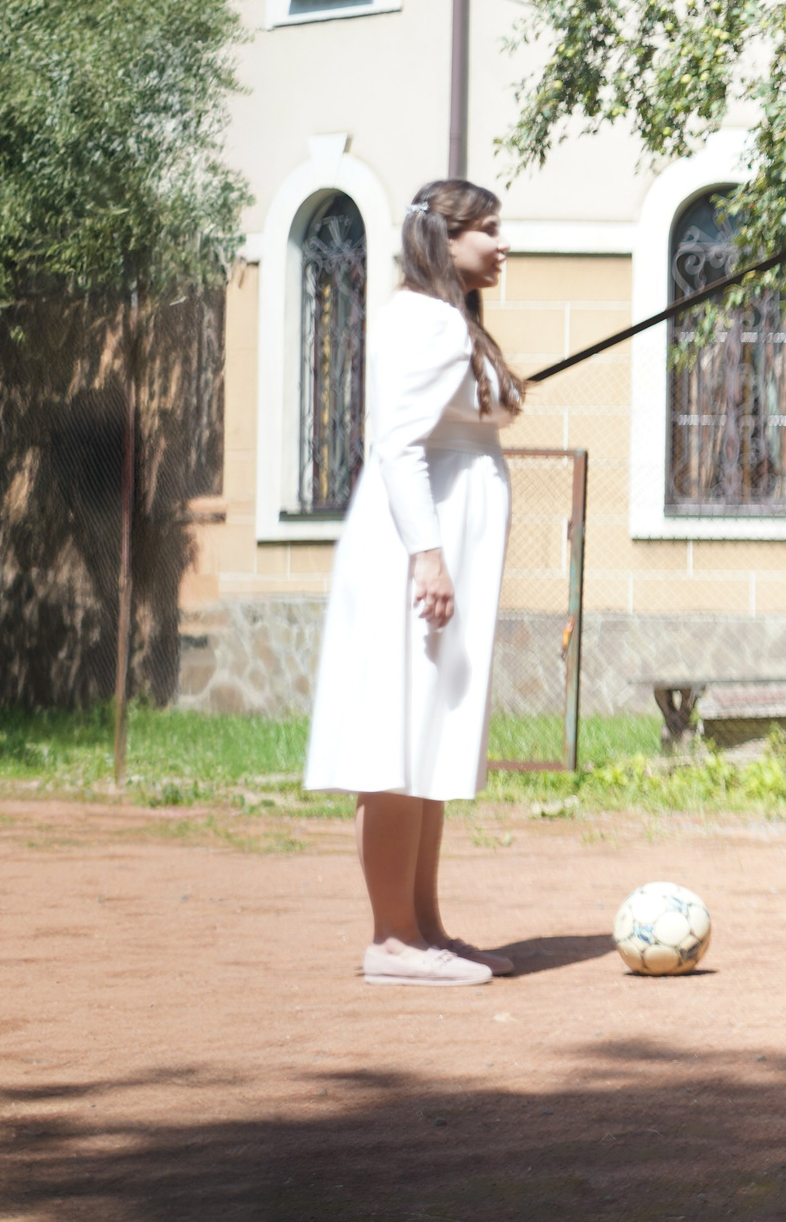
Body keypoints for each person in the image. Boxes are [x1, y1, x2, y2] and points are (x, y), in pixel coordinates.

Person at [303, 180, 523, 987]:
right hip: (419, 541)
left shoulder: (438, 315)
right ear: (446, 237)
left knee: (424, 731)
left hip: (430, 534)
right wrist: (428, 555)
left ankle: (424, 928)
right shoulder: (431, 321)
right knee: (397, 734)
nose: (502, 244)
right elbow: (398, 445)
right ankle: (392, 939)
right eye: (488, 230)